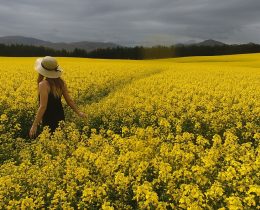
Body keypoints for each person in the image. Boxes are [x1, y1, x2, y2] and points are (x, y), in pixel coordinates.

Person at [29, 56, 86, 138]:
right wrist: (78, 112)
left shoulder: (43, 84)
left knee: (49, 139)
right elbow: (69, 100)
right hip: (60, 115)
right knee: (60, 139)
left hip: (48, 117)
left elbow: (43, 106)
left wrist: (34, 125)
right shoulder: (61, 83)